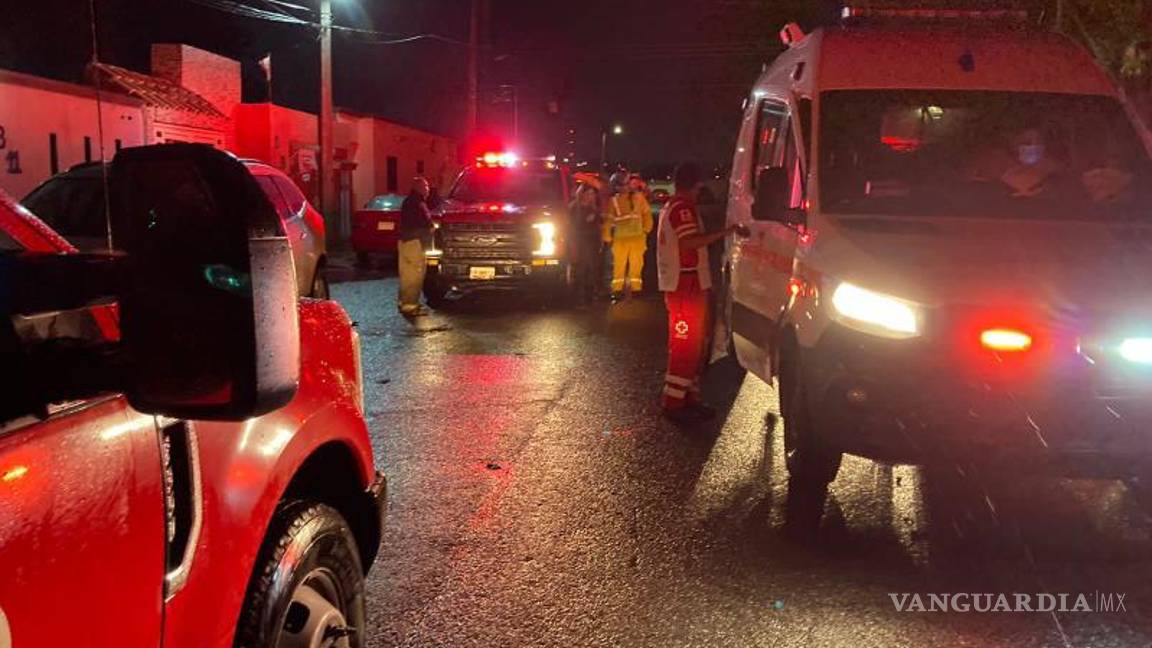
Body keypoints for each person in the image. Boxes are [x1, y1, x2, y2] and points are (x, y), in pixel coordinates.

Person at [656, 162, 748, 422]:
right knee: (685, 346)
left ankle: (689, 398)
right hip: (686, 287)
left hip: (689, 285)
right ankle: (673, 403)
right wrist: (725, 232)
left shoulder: (672, 206)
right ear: (696, 185)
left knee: (695, 346)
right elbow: (689, 242)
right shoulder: (682, 209)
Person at [602, 171, 653, 301]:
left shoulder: (638, 198)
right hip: (621, 239)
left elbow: (647, 214)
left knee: (637, 264)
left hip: (637, 238)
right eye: (621, 185)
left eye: (625, 184)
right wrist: (607, 236)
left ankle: (636, 289)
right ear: (616, 187)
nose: (624, 187)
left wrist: (647, 229)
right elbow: (608, 220)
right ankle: (617, 290)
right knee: (619, 265)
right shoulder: (613, 201)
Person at [397, 176, 434, 316]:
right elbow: (424, 224)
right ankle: (410, 307)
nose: (428, 189)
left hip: (407, 242)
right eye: (426, 187)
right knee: (414, 276)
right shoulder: (417, 203)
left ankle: (404, 302)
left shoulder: (410, 202)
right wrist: (431, 229)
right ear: (420, 188)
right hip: (414, 243)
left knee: (406, 275)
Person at [568, 184, 602, 304]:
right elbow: (572, 225)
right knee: (581, 269)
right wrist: (585, 220)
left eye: (593, 194)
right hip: (581, 242)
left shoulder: (594, 208)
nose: (591, 196)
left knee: (592, 269)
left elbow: (599, 225)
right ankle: (580, 297)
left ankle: (591, 295)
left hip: (593, 242)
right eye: (589, 194)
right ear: (582, 194)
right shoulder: (574, 207)